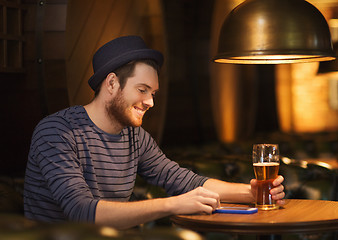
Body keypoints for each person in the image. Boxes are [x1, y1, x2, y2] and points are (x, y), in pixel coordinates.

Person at [23, 36, 285, 229]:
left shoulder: (135, 137)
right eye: (142, 90)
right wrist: (173, 204)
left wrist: (250, 193)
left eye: (153, 93)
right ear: (112, 83)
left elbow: (183, 180)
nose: (150, 102)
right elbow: (81, 212)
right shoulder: (57, 132)